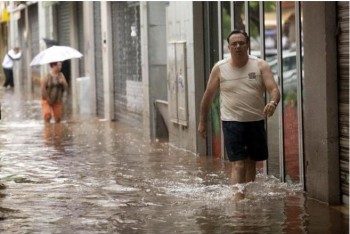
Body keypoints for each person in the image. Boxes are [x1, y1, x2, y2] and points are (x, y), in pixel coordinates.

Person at [198, 30, 280, 200]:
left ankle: (247, 195)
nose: (238, 46)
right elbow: (208, 96)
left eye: (241, 43)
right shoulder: (220, 68)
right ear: (228, 47)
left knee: (251, 163)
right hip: (231, 122)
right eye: (234, 44)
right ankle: (238, 201)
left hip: (255, 121)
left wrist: (273, 102)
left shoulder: (260, 65)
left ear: (248, 45)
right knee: (238, 163)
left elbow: (274, 89)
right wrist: (202, 122)